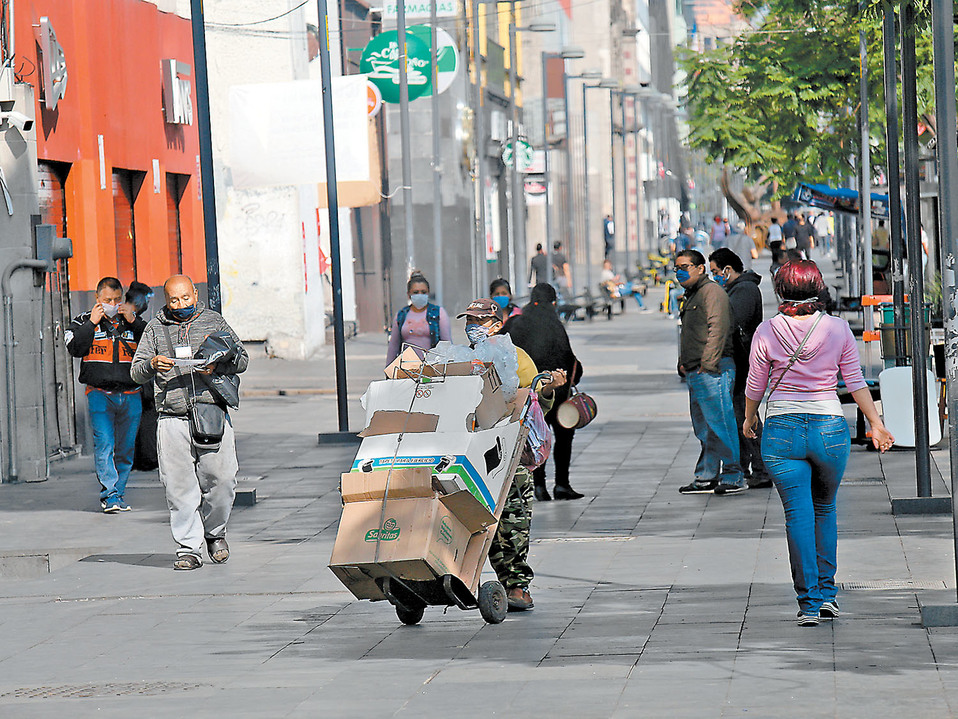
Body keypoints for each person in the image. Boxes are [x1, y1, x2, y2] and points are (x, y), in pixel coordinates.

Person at [743, 260, 894, 626]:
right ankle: (828, 595)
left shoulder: (767, 331)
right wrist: (876, 424)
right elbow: (855, 381)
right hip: (828, 428)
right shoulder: (837, 329)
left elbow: (755, 384)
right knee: (824, 509)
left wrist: (749, 418)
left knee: (797, 515)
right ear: (818, 289)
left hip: (782, 430)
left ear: (780, 291)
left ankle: (808, 603)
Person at [130, 275, 249, 570]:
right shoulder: (155, 328)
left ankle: (215, 532)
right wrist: (152, 364)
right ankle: (189, 548)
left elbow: (242, 360)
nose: (180, 304)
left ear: (195, 294)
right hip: (171, 417)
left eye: (185, 298)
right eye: (174, 300)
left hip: (211, 413)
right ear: (165, 300)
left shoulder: (213, 321)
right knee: (178, 487)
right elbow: (136, 372)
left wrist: (217, 364)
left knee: (223, 480)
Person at [457, 298, 567, 610]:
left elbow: (535, 402)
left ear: (496, 324)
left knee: (512, 519)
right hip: (468, 450)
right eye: (469, 321)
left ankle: (517, 585)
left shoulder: (516, 358)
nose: (472, 327)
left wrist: (549, 388)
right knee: (475, 519)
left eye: (479, 321)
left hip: (508, 451)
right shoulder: (462, 358)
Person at [66, 277, 146, 513]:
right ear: (97, 298)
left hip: (131, 394)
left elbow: (153, 344)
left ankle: (118, 493)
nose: (113, 304)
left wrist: (134, 322)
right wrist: (92, 323)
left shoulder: (132, 320)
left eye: (117, 299)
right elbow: (75, 348)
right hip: (99, 394)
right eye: (107, 299)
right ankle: (109, 495)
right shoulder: (82, 321)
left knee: (126, 449)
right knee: (105, 444)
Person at [504, 283, 584, 502]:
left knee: (536, 437)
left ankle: (539, 486)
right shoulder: (555, 325)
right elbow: (569, 358)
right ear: (553, 302)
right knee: (564, 437)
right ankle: (562, 485)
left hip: (530, 395)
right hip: (558, 394)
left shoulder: (517, 324)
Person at [674, 250, 743, 495]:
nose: (679, 272)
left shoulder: (711, 292)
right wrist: (684, 362)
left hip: (713, 370)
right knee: (705, 427)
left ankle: (733, 475)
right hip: (697, 370)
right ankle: (707, 475)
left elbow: (718, 328)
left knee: (721, 424)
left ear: (700, 268)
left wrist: (708, 363)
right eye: (677, 268)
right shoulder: (692, 294)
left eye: (685, 267)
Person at [709, 248, 771, 490]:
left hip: (743, 364)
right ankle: (746, 467)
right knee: (740, 417)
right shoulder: (736, 289)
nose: (714, 276)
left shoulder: (744, 290)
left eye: (716, 271)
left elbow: (732, 323)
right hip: (740, 363)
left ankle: (762, 470)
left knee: (747, 417)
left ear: (728, 269)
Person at [126, 281, 160, 472]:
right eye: (146, 299)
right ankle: (145, 457)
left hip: (136, 378)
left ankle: (138, 457)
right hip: (134, 379)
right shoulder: (131, 323)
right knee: (145, 416)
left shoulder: (135, 321)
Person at [385, 271, 452, 365]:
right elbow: (393, 346)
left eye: (423, 292)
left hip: (432, 366)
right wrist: (388, 368)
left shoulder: (439, 313)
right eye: (416, 292)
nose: (420, 295)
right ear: (409, 294)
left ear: (428, 293)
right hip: (407, 367)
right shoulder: (401, 315)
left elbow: (447, 344)